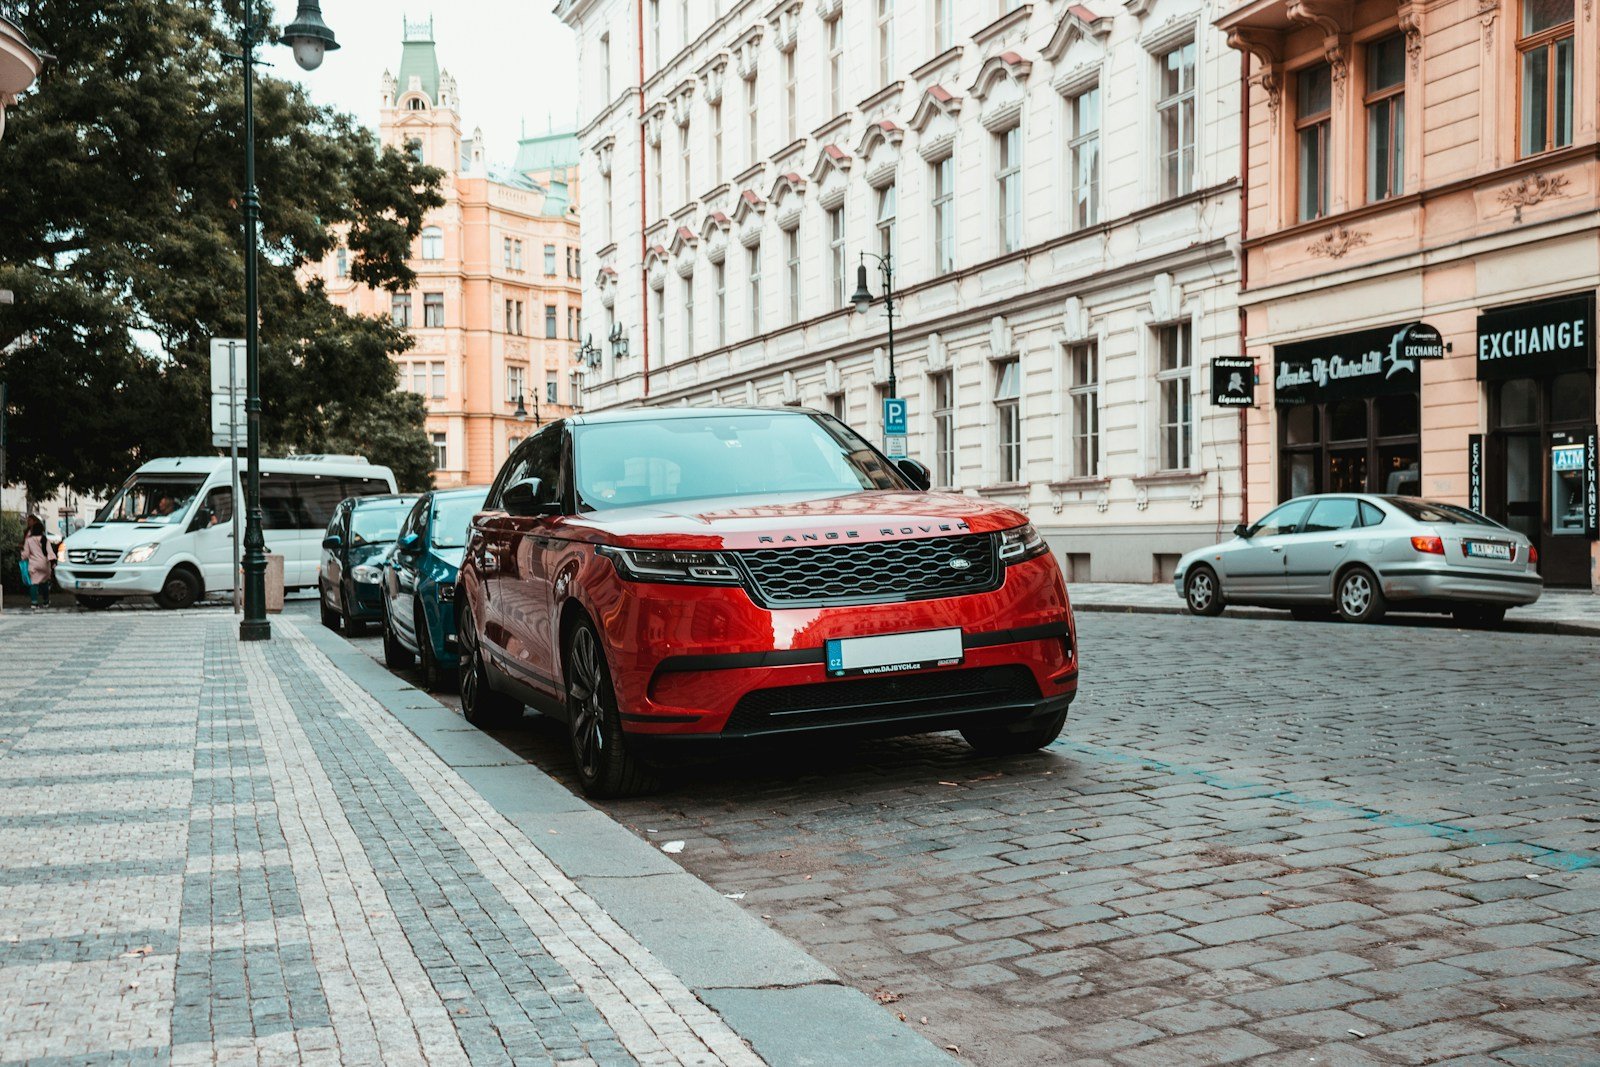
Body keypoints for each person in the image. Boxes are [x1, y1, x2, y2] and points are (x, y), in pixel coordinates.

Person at [18, 515, 55, 610]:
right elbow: (50, 552)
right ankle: (46, 601)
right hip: (44, 564)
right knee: (44, 583)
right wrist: (53, 562)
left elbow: (25, 554)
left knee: (34, 583)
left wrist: (22, 557)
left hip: (34, 564)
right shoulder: (45, 539)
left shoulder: (29, 540)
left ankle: (34, 603)